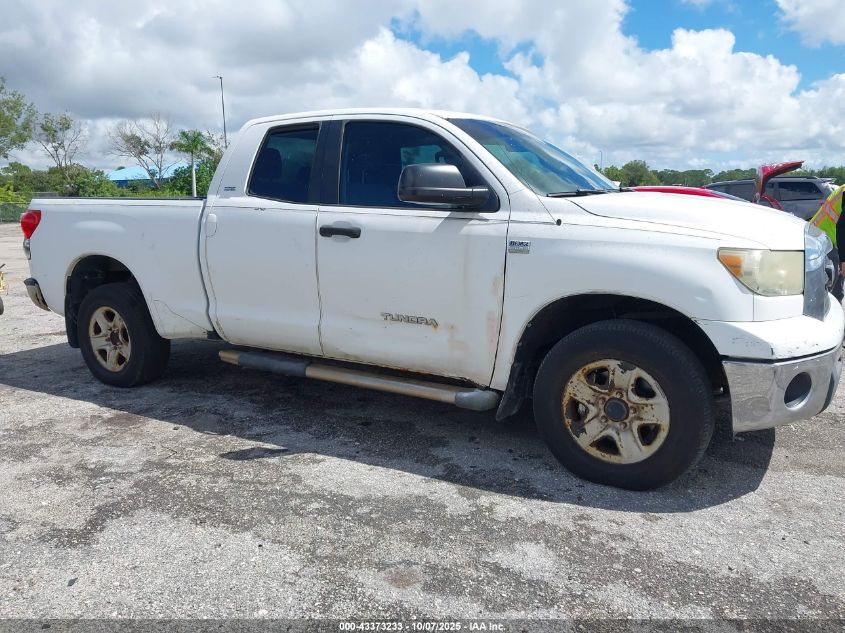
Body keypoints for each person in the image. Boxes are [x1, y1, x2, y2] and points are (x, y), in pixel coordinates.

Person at [809, 184, 845, 301]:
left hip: (829, 236)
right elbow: (842, 226)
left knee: (838, 279)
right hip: (823, 237)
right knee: (829, 281)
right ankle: (820, 308)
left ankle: (836, 301)